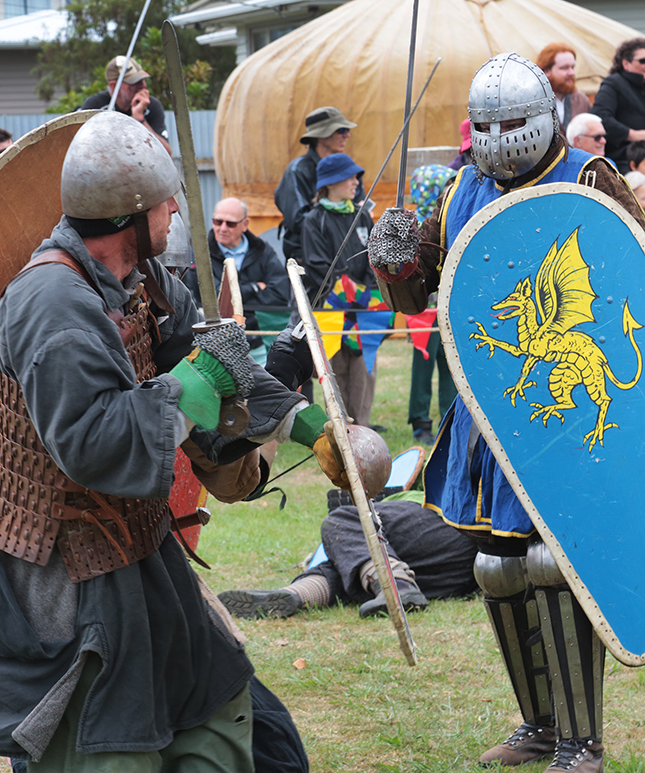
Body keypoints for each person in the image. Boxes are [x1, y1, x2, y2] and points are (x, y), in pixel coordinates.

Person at [0, 110, 353, 771]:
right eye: (165, 204)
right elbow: (95, 445)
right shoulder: (51, 302)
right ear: (128, 213)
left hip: (139, 544)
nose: (173, 213)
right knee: (112, 747)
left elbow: (215, 363)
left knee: (220, 708)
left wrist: (308, 427)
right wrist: (192, 384)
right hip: (68, 571)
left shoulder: (141, 280)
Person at [368, 52, 645, 773]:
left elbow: (630, 273)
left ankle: (581, 740)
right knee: (495, 565)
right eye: (485, 124)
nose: (499, 137)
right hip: (489, 407)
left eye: (510, 122)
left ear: (543, 118)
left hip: (570, 406)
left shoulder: (587, 180)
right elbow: (417, 297)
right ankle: (539, 724)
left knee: (552, 561)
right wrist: (394, 259)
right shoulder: (459, 188)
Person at [218, 487, 478, 620]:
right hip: (462, 573)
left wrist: (378, 494)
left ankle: (396, 585)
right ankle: (294, 596)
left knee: (344, 519)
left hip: (453, 526)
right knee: (353, 568)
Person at [302, 152, 377, 427]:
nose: (356, 182)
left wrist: (366, 293)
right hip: (331, 313)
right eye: (350, 176)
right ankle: (345, 435)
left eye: (357, 176)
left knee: (364, 374)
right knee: (338, 376)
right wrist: (349, 291)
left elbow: (372, 258)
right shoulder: (314, 220)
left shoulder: (362, 217)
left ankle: (363, 431)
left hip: (363, 313)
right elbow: (318, 267)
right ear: (331, 182)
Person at [184, 197, 290, 366]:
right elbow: (215, 299)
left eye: (230, 223)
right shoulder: (198, 255)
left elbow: (281, 294)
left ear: (245, 224)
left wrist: (236, 296)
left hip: (259, 346)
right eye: (217, 221)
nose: (222, 228)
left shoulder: (264, 250)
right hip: (213, 347)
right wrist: (255, 287)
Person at [407, 164, 458, 444]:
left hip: (446, 307)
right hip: (424, 311)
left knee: (449, 362)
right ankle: (420, 419)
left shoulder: (449, 220)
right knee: (423, 362)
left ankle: (448, 416)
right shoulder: (417, 227)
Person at [274, 106, 364, 261]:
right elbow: (300, 222)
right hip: (310, 261)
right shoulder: (297, 170)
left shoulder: (349, 169)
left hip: (348, 257)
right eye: (341, 130)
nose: (347, 135)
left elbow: (359, 210)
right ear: (321, 135)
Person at [79, 55, 172, 154]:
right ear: (115, 86)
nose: (143, 85)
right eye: (135, 82)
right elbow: (79, 148)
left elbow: (166, 153)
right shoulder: (95, 106)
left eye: (143, 80)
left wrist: (140, 120)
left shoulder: (151, 106)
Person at [592, 37, 645, 172]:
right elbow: (600, 116)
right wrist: (632, 134)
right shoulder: (614, 83)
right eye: (643, 61)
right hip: (624, 160)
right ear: (626, 64)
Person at [536, 43, 591, 132]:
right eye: (564, 68)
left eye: (572, 67)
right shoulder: (535, 101)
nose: (571, 73)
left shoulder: (581, 100)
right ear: (547, 71)